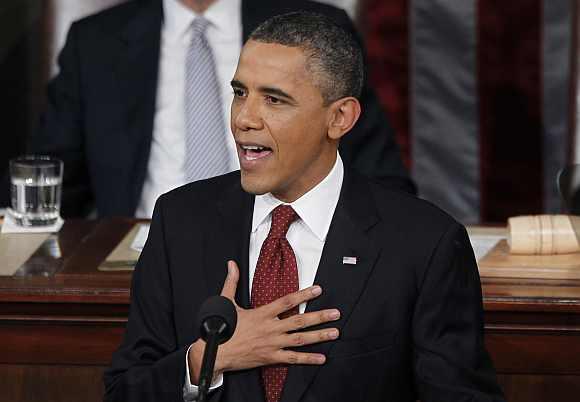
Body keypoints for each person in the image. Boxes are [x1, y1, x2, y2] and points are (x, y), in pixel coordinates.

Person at [104, 11, 504, 402]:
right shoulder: (181, 220)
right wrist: (210, 360)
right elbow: (124, 390)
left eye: (274, 100)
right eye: (240, 92)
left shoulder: (424, 243)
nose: (244, 118)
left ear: (340, 118)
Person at [18, 0, 413, 218]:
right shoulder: (96, 41)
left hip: (285, 245)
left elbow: (379, 179)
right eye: (239, 93)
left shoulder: (316, 28)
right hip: (138, 258)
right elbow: (44, 181)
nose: (244, 118)